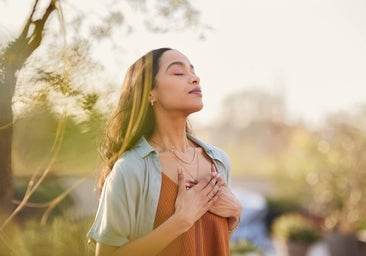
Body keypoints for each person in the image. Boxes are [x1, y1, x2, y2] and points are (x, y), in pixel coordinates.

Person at [87, 47, 243, 256]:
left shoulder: (219, 161)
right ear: (150, 93)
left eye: (193, 71)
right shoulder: (130, 169)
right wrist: (181, 221)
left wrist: (235, 215)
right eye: (179, 73)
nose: (195, 79)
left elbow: (212, 243)